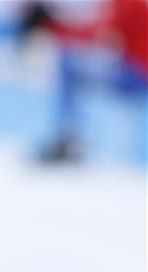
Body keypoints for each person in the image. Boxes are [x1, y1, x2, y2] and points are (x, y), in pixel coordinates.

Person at [20, 0, 148, 162]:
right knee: (71, 65)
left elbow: (98, 34)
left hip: (137, 76)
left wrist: (53, 26)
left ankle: (69, 138)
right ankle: (70, 136)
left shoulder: (128, 2)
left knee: (69, 64)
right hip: (132, 71)